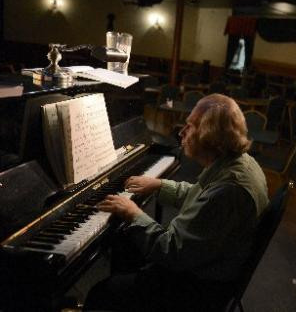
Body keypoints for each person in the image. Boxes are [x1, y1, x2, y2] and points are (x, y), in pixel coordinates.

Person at [84, 94, 269, 311]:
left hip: (199, 288)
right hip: (207, 262)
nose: (181, 132)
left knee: (101, 294)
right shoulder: (240, 163)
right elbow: (202, 196)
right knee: (126, 241)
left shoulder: (230, 191)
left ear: (210, 136)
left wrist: (133, 213)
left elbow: (171, 251)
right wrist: (160, 186)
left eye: (189, 127)